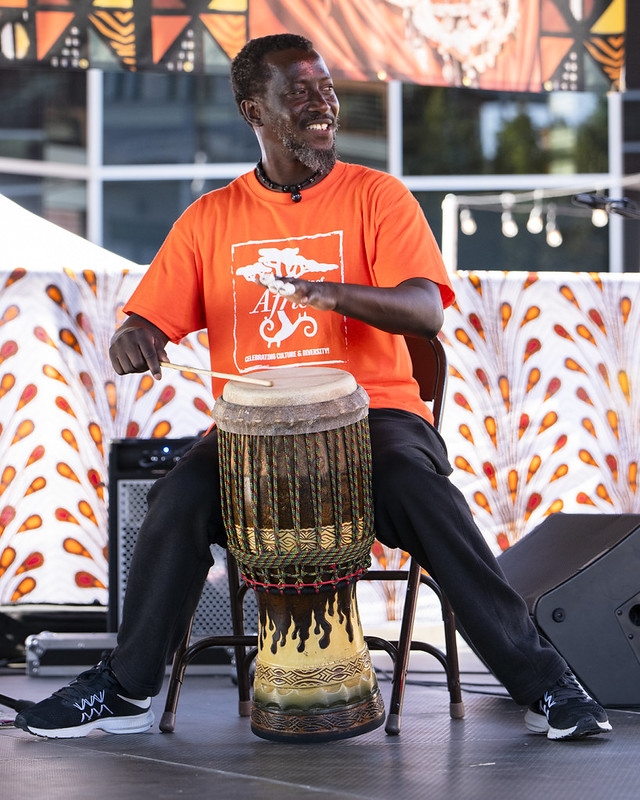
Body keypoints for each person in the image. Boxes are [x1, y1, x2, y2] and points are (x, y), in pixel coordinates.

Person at [15, 33, 610, 743]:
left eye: (325, 85)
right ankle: (125, 689)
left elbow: (426, 310)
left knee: (426, 497)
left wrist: (329, 292)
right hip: (253, 439)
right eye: (298, 90)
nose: (322, 100)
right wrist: (135, 338)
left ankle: (546, 686)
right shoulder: (210, 219)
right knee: (176, 500)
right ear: (253, 111)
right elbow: (138, 327)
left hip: (375, 417)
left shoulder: (375, 197)